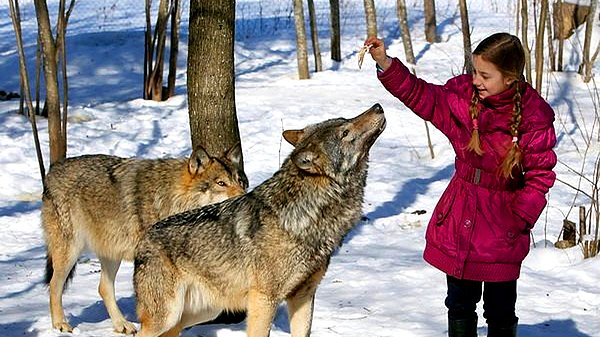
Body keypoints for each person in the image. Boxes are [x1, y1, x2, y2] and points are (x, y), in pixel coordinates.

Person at [365, 33, 557, 337]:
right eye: (474, 71)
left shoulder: (533, 118)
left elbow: (541, 174)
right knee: (458, 303)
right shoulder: (463, 97)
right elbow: (421, 95)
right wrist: (385, 64)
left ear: (509, 78)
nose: (476, 80)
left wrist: (519, 218)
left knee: (500, 309)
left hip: (501, 228)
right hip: (461, 218)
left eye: (485, 75)